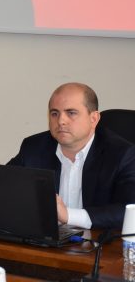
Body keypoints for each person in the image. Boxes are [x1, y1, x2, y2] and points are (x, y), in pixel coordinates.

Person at [8, 82, 135, 230]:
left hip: (98, 240)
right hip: (46, 239)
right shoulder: (34, 147)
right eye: (54, 113)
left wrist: (68, 215)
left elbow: (130, 210)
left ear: (94, 119)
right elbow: (4, 187)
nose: (61, 121)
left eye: (71, 113)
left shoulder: (122, 154)